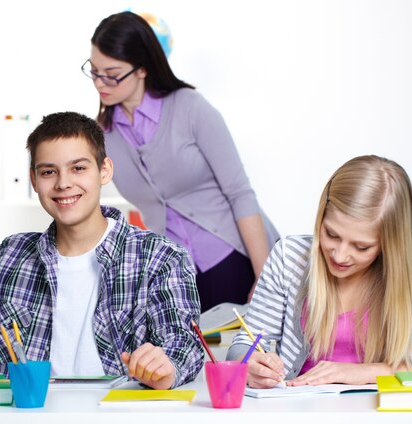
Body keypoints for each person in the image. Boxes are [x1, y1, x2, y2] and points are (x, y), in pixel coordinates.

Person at [0, 111, 204, 390]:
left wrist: (168, 367)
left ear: (104, 171)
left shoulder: (161, 258)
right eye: (49, 172)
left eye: (78, 168)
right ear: (34, 180)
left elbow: (184, 345)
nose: (63, 183)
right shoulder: (11, 259)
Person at [81, 11, 279, 312]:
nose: (100, 82)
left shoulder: (190, 107)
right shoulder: (103, 135)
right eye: (94, 71)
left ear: (142, 69)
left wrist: (263, 277)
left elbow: (240, 194)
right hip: (175, 274)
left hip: (233, 257)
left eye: (111, 73)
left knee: (241, 356)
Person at [227, 155, 412, 387]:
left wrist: (372, 372)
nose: (339, 255)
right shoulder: (290, 258)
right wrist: (248, 364)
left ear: (390, 245)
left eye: (361, 247)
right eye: (331, 234)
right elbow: (243, 344)